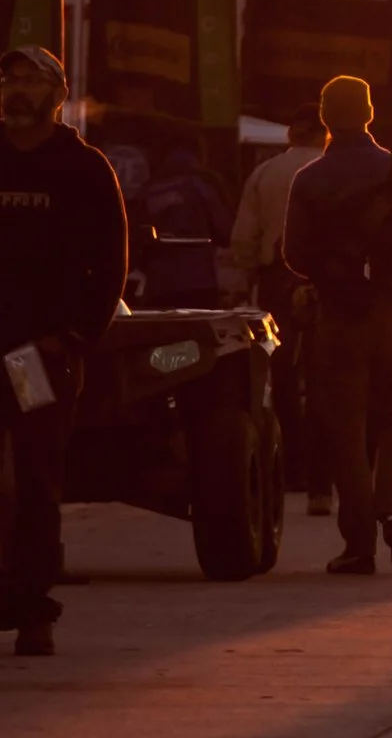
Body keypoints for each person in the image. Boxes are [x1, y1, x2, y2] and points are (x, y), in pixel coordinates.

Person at [281, 74, 392, 574]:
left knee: (346, 425)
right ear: (371, 114)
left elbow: (294, 254)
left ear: (326, 118)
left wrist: (339, 270)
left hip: (339, 317)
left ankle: (358, 543)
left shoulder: (310, 179)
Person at [0, 47, 127, 657]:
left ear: (58, 94)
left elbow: (110, 263)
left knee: (35, 478)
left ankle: (33, 610)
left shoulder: (82, 168)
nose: (17, 90)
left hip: (34, 358)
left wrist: (71, 336)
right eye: (10, 80)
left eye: (31, 81)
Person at [232, 107, 325, 505]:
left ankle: (294, 466)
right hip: (327, 280)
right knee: (325, 374)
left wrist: (252, 271)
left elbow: (244, 237)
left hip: (278, 280)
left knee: (283, 376)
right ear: (325, 134)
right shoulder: (333, 171)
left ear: (290, 135)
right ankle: (324, 475)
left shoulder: (265, 174)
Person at [129, 142, 232, 309]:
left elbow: (136, 239)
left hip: (159, 284)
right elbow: (224, 231)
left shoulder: (149, 191)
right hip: (201, 281)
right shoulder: (203, 185)